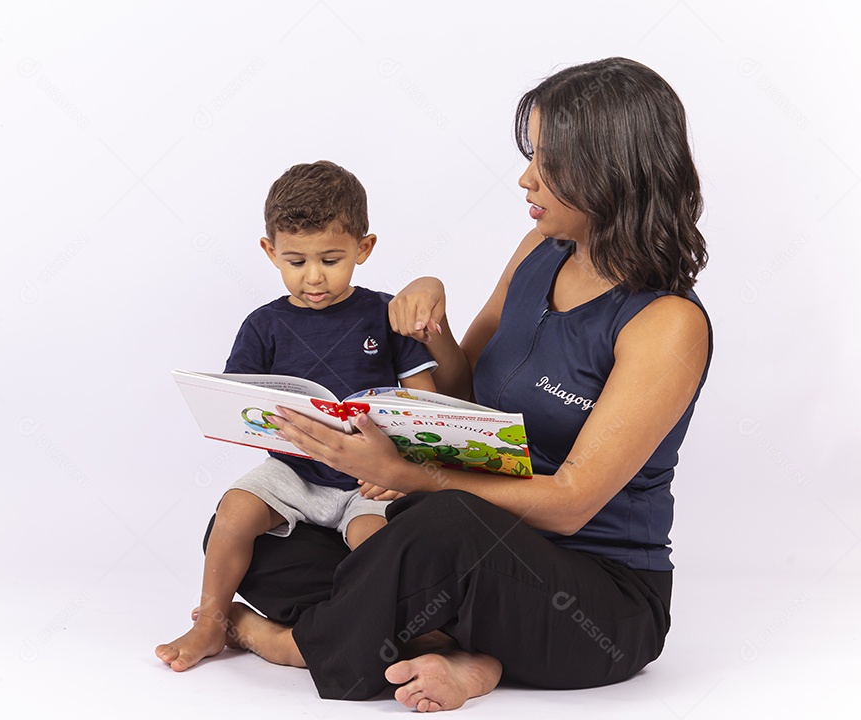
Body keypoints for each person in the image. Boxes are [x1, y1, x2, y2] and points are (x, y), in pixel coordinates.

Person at [221, 57, 713, 712]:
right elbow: (460, 392)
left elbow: (570, 503)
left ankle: (298, 644)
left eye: (549, 162)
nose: (526, 176)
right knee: (263, 527)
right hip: (465, 546)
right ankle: (463, 654)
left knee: (442, 526)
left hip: (599, 600)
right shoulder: (541, 250)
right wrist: (431, 319)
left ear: (612, 171)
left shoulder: (666, 323)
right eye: (530, 153)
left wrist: (410, 472)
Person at [155, 160, 438, 672]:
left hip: (366, 479)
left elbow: (427, 406)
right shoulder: (264, 325)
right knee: (236, 508)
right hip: (294, 470)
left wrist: (404, 467)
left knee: (374, 544)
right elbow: (237, 404)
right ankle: (212, 621)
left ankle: (374, 628)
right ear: (269, 252)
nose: (313, 277)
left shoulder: (384, 313)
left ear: (364, 249)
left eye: (331, 259)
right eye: (295, 260)